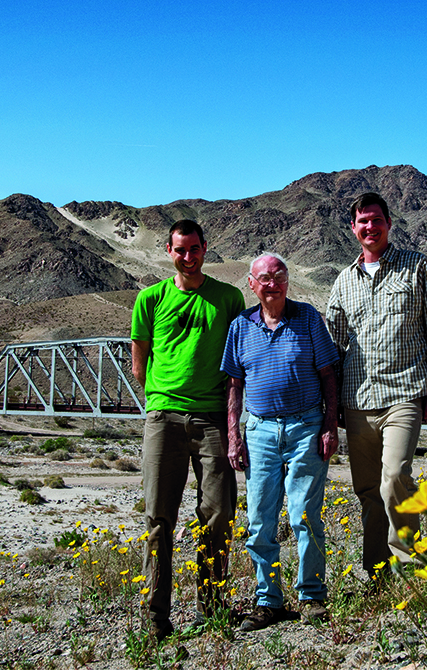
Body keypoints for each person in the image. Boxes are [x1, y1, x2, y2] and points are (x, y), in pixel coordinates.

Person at [325, 192, 427, 576]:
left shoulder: (417, 267)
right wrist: (328, 406)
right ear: (353, 228)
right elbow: (332, 343)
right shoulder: (344, 281)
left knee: (396, 476)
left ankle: (412, 567)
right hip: (356, 400)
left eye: (376, 220)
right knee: (367, 491)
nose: (370, 227)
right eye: (362, 221)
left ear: (389, 223)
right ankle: (376, 570)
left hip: (404, 393)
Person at [130, 219, 244, 639]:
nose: (189, 257)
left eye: (195, 249)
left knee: (217, 514)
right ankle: (155, 617)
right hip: (164, 418)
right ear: (168, 250)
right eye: (181, 250)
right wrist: (156, 400)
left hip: (212, 417)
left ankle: (211, 607)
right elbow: (139, 355)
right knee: (158, 517)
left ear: (205, 248)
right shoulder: (150, 299)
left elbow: (238, 362)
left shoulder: (228, 298)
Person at [222, 253, 339, 631]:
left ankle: (311, 596)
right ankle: (268, 601)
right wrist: (233, 436)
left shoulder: (308, 319)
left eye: (279, 276)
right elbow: (234, 386)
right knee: (259, 519)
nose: (272, 283)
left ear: (288, 281)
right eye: (264, 278)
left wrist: (329, 425)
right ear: (252, 285)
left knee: (304, 515)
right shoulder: (240, 326)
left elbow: (328, 375)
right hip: (258, 431)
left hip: (306, 426)